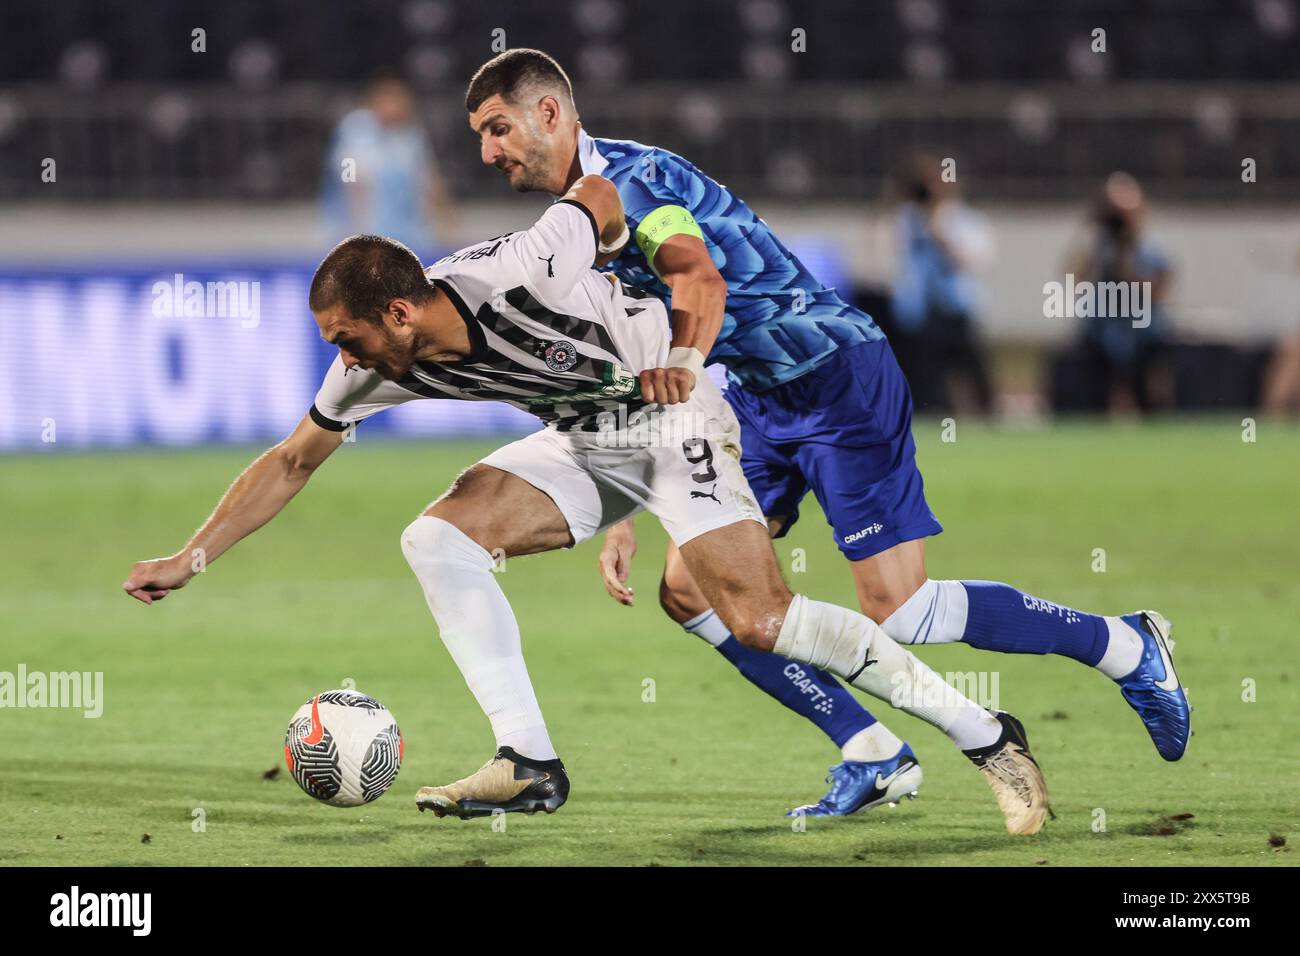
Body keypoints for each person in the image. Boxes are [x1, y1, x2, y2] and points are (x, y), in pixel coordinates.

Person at [121, 175, 1051, 834]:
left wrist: (651, 282)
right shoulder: (371, 373)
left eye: (349, 337)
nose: (345, 357)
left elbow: (602, 195)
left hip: (673, 412)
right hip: (587, 438)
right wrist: (188, 558)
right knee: (437, 537)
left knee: (763, 619)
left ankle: (985, 735)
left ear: (399, 314)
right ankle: (528, 762)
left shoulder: (521, 268)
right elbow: (290, 462)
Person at [462, 49, 1191, 817]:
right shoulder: (577, 222)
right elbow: (639, 349)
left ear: (549, 113)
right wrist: (629, 504)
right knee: (688, 589)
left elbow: (698, 284)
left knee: (901, 611)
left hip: (837, 375)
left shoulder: (636, 184)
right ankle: (871, 751)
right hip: (755, 397)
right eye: (480, 135)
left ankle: (1124, 644)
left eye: (498, 128)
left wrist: (677, 378)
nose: (488, 152)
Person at [889, 151, 996, 416]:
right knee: (924, 382)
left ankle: (986, 419)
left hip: (955, 308)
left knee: (973, 374)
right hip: (920, 313)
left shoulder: (966, 221)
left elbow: (970, 262)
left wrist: (940, 230)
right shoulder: (908, 219)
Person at [1067, 172, 1174, 414]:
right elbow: (1073, 278)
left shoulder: (1153, 249)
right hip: (1101, 333)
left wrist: (1129, 269)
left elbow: (1160, 291)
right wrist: (1091, 234)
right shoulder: (1098, 246)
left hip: (1144, 336)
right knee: (1093, 403)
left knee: (1151, 402)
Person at [321, 70, 458, 256]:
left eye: (403, 100)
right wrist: (354, 234)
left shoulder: (411, 134)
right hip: (365, 231)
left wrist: (446, 222)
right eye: (391, 99)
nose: (399, 106)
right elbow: (348, 179)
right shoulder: (354, 128)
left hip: (409, 233)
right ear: (376, 101)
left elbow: (428, 179)